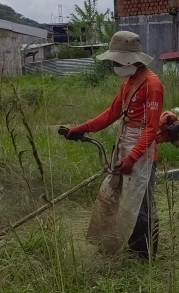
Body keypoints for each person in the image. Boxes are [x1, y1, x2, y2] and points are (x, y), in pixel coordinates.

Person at [66, 31, 168, 258]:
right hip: (124, 147)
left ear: (129, 59)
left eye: (115, 60)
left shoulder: (153, 85)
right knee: (122, 199)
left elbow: (151, 129)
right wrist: (82, 128)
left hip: (142, 153)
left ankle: (146, 254)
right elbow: (111, 113)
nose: (113, 64)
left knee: (143, 202)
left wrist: (133, 158)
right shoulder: (129, 81)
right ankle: (128, 245)